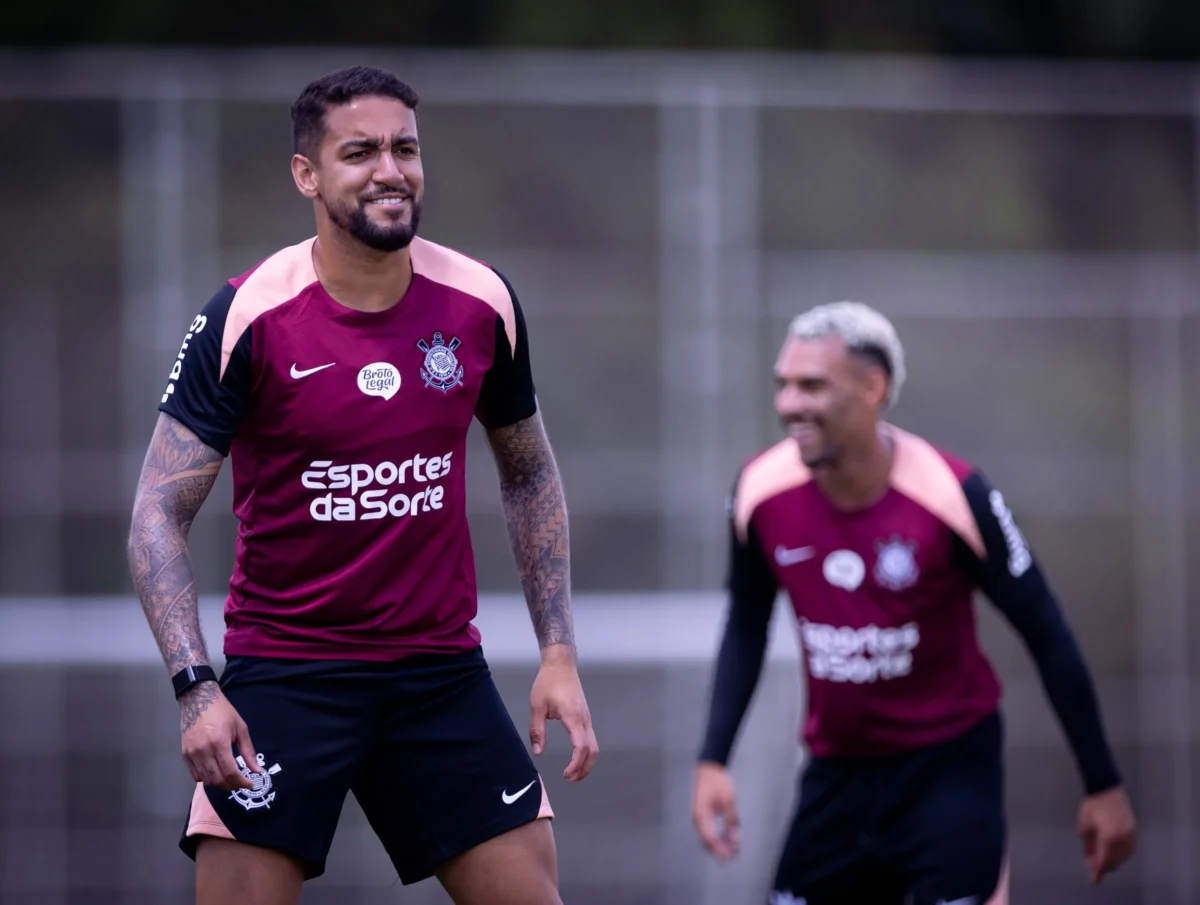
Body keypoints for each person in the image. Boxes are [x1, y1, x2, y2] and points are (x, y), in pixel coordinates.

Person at [125, 65, 598, 905]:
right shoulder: (248, 317)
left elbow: (528, 471)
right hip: (286, 675)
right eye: (361, 151)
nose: (391, 169)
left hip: (439, 674)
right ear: (308, 174)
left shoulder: (480, 302)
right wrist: (196, 688)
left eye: (405, 148)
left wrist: (557, 649)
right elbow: (157, 512)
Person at [691, 301, 1137, 905]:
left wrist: (1102, 783)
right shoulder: (759, 492)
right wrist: (713, 760)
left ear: (873, 386)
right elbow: (746, 622)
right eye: (784, 385)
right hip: (834, 779)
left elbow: (1046, 632)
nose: (788, 404)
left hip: (949, 775)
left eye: (812, 385)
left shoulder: (953, 496)